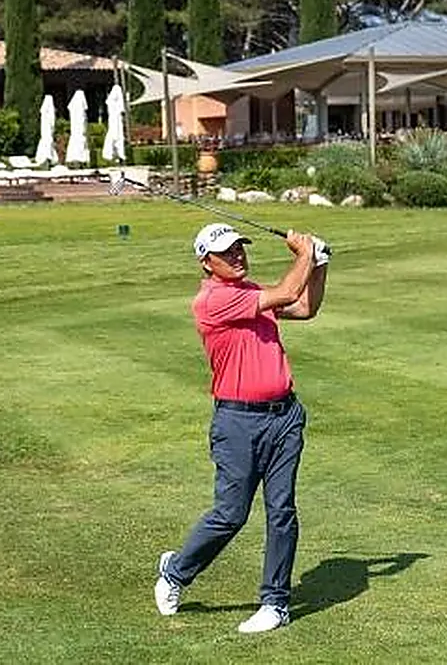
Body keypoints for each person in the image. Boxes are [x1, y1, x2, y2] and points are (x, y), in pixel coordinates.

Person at [155, 221, 329, 634]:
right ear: (206, 262)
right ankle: (176, 572)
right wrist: (303, 253)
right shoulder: (212, 300)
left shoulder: (251, 292)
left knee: (282, 510)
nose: (237, 255)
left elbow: (304, 307)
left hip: (284, 417)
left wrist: (319, 265)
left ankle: (275, 603)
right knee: (231, 514)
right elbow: (288, 292)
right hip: (238, 422)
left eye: (239, 248)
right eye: (226, 251)